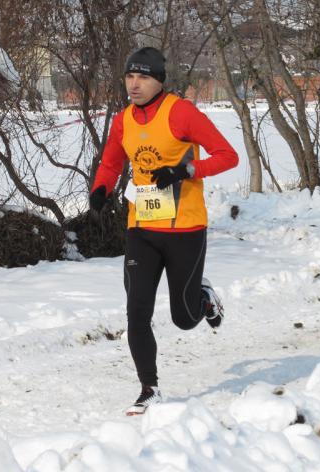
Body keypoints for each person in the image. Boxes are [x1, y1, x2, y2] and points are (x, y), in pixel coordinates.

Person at [89, 47, 238, 415]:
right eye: (129, 76)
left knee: (184, 319)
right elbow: (111, 161)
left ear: (159, 80)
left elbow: (227, 155)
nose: (134, 84)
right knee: (136, 311)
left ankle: (203, 296)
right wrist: (100, 190)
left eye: (142, 77)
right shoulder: (124, 120)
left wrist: (185, 171)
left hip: (185, 228)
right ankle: (149, 388)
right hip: (141, 228)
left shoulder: (181, 112)